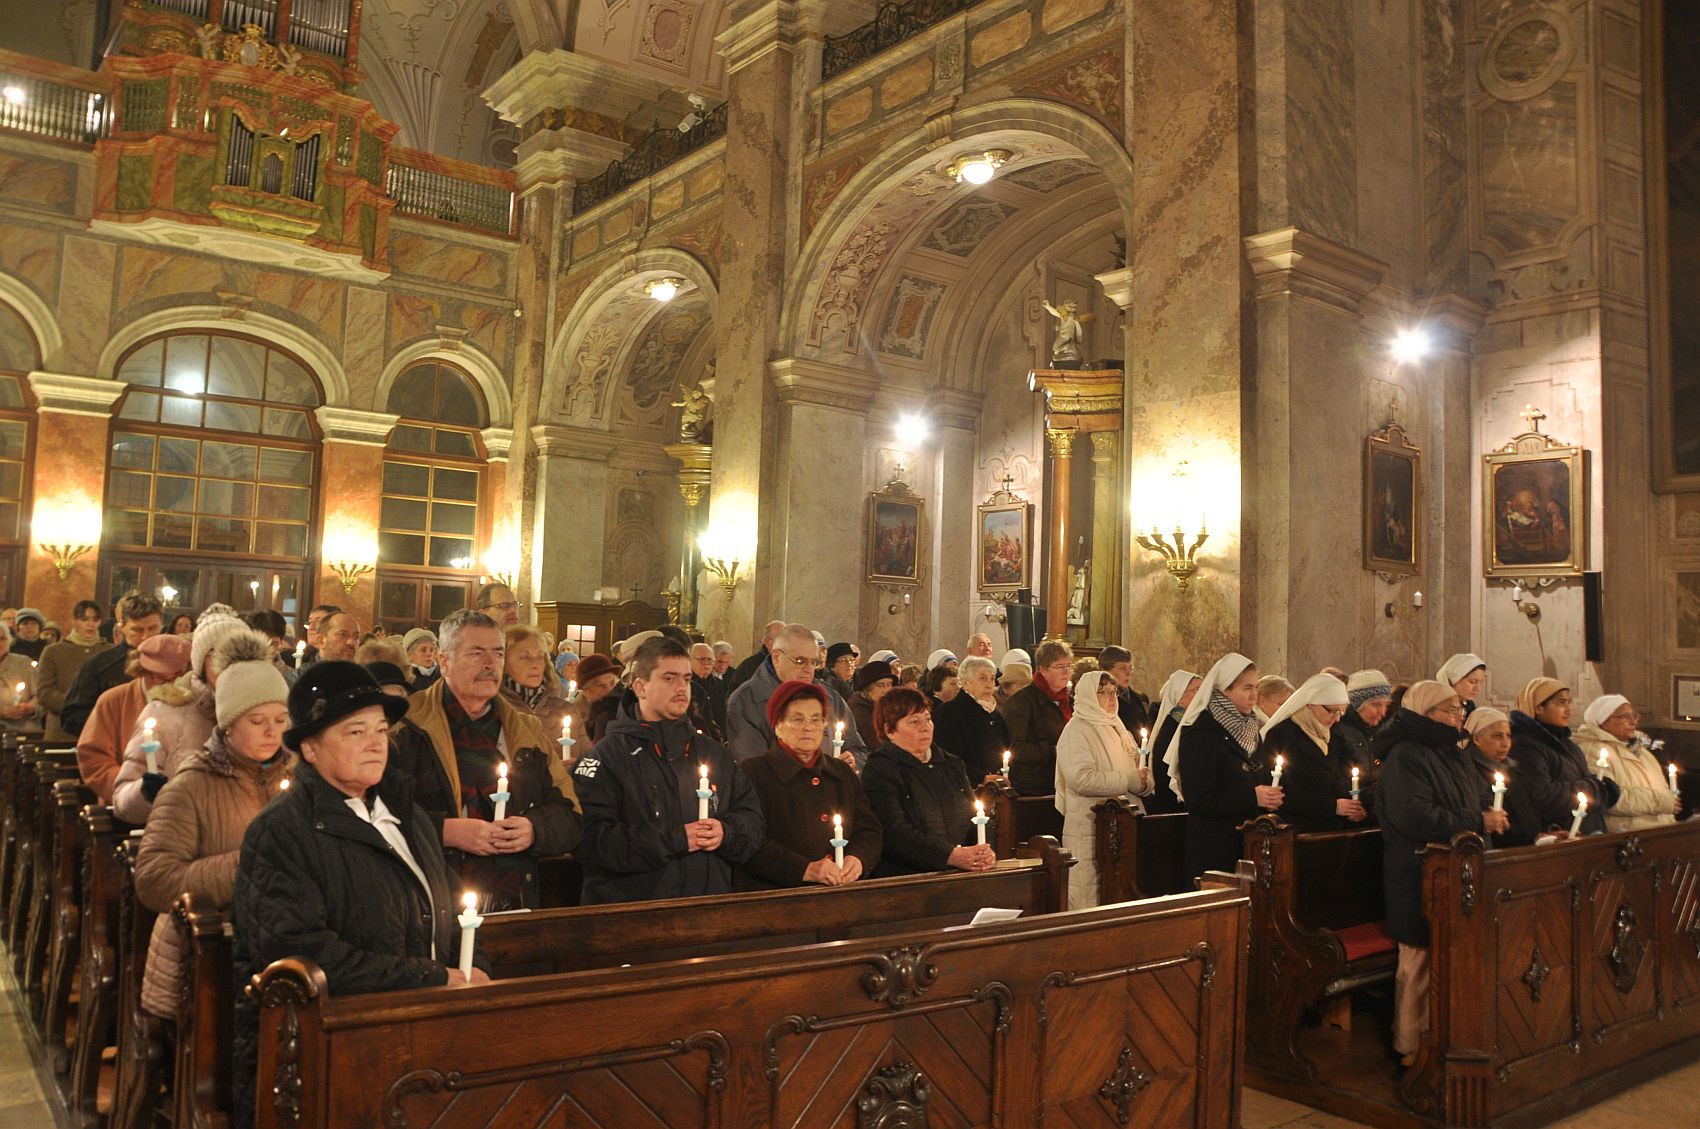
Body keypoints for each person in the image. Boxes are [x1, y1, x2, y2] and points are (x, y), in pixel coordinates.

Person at [231, 662, 484, 1129]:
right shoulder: (281, 831)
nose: (376, 743)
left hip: (420, 1039)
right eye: (355, 731)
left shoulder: (405, 814)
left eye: (382, 730)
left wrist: (470, 968)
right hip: (325, 1056)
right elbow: (300, 955)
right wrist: (430, 978)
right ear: (309, 747)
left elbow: (446, 907)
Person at [133, 640, 292, 1019]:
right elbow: (154, 879)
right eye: (257, 721)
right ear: (228, 722)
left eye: (281, 719)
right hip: (204, 965)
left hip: (277, 955)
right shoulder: (191, 785)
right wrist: (247, 866)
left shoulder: (298, 778)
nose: (272, 732)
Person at [389, 610, 581, 910]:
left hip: (512, 895)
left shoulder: (525, 730)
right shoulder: (406, 728)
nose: (490, 664)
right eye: (476, 653)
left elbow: (570, 814)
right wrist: (444, 831)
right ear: (444, 661)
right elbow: (375, 813)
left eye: (498, 653)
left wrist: (533, 829)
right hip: (429, 899)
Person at [573, 635, 764, 903]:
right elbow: (593, 843)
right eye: (669, 678)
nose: (682, 688)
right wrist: (674, 839)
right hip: (635, 911)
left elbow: (752, 819)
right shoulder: (605, 759)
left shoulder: (712, 753)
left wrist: (726, 833)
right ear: (640, 687)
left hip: (706, 907)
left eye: (686, 679)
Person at [1374, 680, 1504, 1066]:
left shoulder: (1454, 751)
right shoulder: (1405, 756)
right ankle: (1410, 1049)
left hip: (1455, 867)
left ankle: (1447, 1040)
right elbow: (1414, 815)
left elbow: (1469, 798)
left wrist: (1485, 815)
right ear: (1424, 713)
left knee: (1450, 958)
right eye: (1449, 710)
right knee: (1417, 961)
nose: (1458, 716)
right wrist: (1477, 819)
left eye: (1459, 710)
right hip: (1416, 870)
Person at [111, 616, 268, 825]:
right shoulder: (165, 714)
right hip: (183, 839)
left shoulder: (270, 713)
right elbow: (123, 803)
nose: (230, 665)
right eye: (220, 654)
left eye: (240, 657)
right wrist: (145, 792)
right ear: (202, 662)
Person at [738, 680, 881, 889]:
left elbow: (868, 828)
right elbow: (748, 840)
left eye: (816, 720)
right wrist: (806, 869)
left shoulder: (840, 772)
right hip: (776, 895)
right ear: (778, 725)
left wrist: (858, 859)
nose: (808, 727)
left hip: (841, 892)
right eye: (797, 719)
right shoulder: (753, 772)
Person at [1169, 653, 1282, 878]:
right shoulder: (1201, 732)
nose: (1254, 696)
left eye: (1256, 687)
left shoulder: (1251, 729)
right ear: (1224, 690)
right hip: (1214, 848)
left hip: (1249, 843)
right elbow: (1199, 798)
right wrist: (1253, 797)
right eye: (1246, 688)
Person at [862, 686, 995, 877]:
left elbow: (976, 815)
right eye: (913, 721)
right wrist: (949, 855)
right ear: (890, 730)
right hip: (909, 877)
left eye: (927, 719)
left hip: (962, 870)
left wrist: (983, 849)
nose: (925, 727)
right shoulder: (880, 769)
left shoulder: (951, 764)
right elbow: (893, 832)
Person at [1056, 670, 1154, 908]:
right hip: (1089, 826)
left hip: (1122, 826)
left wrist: (1144, 783)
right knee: (1089, 895)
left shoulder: (1117, 726)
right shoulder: (1076, 729)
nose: (1112, 698)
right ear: (1089, 695)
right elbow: (1080, 778)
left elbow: (1138, 768)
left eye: (1114, 692)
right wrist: (1128, 781)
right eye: (1104, 693)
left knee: (1119, 892)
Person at [726, 623, 867, 766]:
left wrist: (852, 763)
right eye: (800, 661)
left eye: (813, 662)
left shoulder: (830, 697)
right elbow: (754, 768)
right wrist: (818, 771)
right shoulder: (746, 701)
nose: (808, 669)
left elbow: (858, 748)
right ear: (776, 658)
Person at [77, 633, 191, 804]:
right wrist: (133, 790)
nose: (168, 684)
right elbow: (93, 758)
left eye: (175, 677)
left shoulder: (194, 704)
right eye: (158, 676)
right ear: (141, 670)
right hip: (122, 810)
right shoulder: (113, 701)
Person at [1510, 677, 1618, 836]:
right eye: (1561, 703)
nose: (1569, 710)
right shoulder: (1525, 746)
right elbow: (1543, 797)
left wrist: (1605, 787)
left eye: (1569, 702)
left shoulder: (1568, 745)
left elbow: (1577, 778)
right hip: (1559, 836)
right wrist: (1596, 788)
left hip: (1586, 833)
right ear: (1539, 707)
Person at [1258, 673, 1364, 832]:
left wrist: (1352, 806)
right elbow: (1277, 792)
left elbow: (1340, 779)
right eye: (1332, 711)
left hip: (1330, 830)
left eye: (1341, 712)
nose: (1336, 719)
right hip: (1295, 829)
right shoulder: (1282, 735)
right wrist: (1331, 806)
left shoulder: (1335, 736)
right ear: (1310, 704)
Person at [60, 593, 165, 736]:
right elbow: (71, 717)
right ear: (122, 627)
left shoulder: (175, 663)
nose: (146, 636)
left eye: (153, 628)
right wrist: (117, 720)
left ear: (162, 626)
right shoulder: (99, 665)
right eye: (137, 629)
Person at [1578, 695, 1680, 833]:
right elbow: (1609, 799)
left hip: (1660, 832)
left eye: (1634, 716)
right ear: (1604, 722)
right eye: (1625, 717)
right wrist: (1663, 803)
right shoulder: (1593, 751)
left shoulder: (1642, 752)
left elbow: (1663, 791)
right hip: (1626, 836)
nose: (1633, 722)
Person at [1001, 639, 1073, 795]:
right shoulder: (1021, 702)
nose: (1066, 672)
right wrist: (1054, 751)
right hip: (1034, 786)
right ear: (1043, 669)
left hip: (1067, 780)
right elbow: (1016, 748)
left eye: (1069, 666)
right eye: (1060, 667)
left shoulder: (1071, 701)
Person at [1463, 707, 1543, 846]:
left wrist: (1542, 835)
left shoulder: (1513, 769)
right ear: (1476, 738)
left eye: (1508, 736)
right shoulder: (1468, 771)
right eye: (1498, 736)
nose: (1506, 743)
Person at [37, 599, 109, 743]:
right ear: (74, 621)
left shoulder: (108, 651)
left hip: (100, 729)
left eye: (95, 619)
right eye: (84, 619)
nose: (90, 624)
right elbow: (45, 693)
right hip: (61, 730)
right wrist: (77, 706)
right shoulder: (54, 651)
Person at [931, 655, 1010, 784]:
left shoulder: (996, 714)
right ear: (966, 682)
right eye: (983, 678)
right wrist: (980, 777)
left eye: (992, 678)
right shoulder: (950, 712)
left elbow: (1006, 749)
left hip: (997, 787)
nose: (989, 685)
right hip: (967, 787)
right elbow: (945, 758)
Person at [1332, 669, 1392, 815]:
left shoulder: (1381, 732)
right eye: (1376, 705)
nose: (1383, 712)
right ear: (1357, 704)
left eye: (1386, 706)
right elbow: (1338, 781)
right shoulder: (1339, 732)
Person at [500, 623, 573, 742]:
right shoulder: (493, 704)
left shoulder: (560, 696)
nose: (535, 664)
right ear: (504, 661)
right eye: (524, 657)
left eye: (540, 657)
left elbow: (583, 749)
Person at [1143, 669, 1199, 814]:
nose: (1202, 694)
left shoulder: (1182, 721)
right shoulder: (1174, 726)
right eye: (1196, 690)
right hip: (1172, 808)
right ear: (1180, 698)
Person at [1097, 645, 1152, 737]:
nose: (1128, 673)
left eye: (1130, 668)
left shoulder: (1138, 699)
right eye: (1122, 668)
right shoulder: (1099, 700)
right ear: (1105, 671)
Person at [572, 652, 624, 742]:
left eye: (612, 683)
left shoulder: (612, 715)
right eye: (601, 686)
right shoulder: (576, 713)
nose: (610, 689)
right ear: (586, 690)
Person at [0, 624, 41, 737]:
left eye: (2, 639)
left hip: (25, 729)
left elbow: (40, 694)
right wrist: (2, 712)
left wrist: (30, 708)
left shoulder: (24, 663)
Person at [727, 619, 785, 693]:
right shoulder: (749, 667)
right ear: (767, 642)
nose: (785, 644)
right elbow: (735, 699)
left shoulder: (790, 664)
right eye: (780, 640)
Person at [849, 660, 895, 748]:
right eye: (880, 685)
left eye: (889, 684)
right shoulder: (858, 710)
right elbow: (875, 744)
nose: (886, 690)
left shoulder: (891, 708)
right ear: (867, 688)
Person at [689, 642, 728, 740]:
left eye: (710, 661)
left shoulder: (719, 685)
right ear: (689, 660)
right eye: (702, 660)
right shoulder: (686, 685)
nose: (706, 665)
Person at [1436, 653, 1487, 719]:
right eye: (1472, 682)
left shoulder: (1470, 706)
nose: (1478, 689)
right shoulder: (1435, 707)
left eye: (1480, 682)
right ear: (1453, 680)